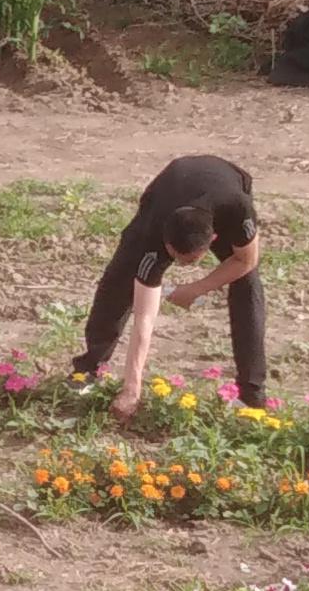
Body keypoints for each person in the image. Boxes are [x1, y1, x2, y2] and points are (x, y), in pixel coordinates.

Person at [74, 151, 267, 417]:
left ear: (212, 240)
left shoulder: (237, 207)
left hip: (226, 183)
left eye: (187, 261)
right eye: (173, 257)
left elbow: (247, 260)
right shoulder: (152, 233)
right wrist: (132, 388)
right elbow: (144, 315)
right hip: (167, 190)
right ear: (165, 243)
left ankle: (252, 394)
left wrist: (196, 288)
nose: (179, 263)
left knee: (247, 284)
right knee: (120, 277)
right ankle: (89, 369)